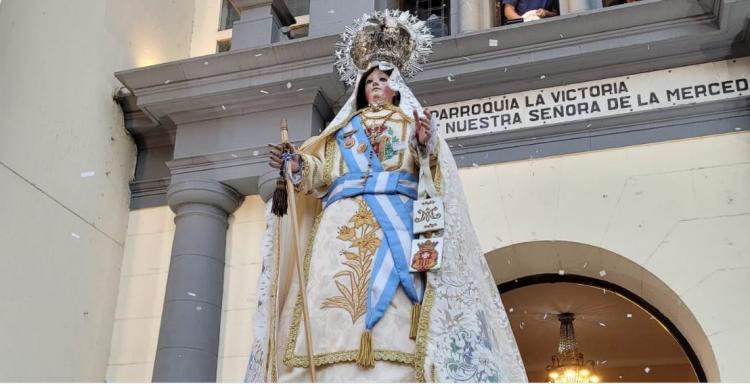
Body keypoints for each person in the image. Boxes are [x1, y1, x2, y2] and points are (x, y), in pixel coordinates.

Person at [245, 10, 527, 383]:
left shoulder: (411, 124)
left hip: (395, 223)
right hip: (341, 229)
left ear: (396, 87)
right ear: (361, 87)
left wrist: (425, 145)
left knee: (398, 302)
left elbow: (427, 170)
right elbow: (321, 175)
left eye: (383, 79)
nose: (376, 85)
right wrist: (297, 165)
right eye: (370, 80)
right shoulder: (342, 132)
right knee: (331, 300)